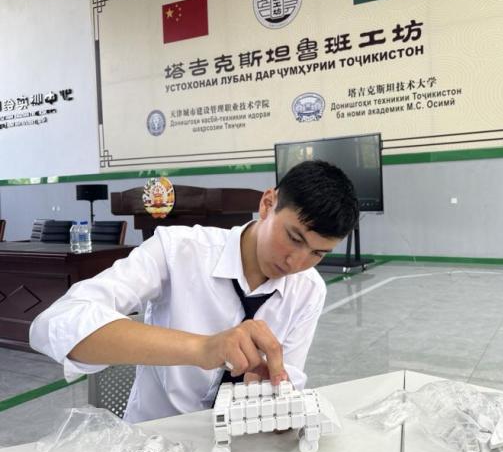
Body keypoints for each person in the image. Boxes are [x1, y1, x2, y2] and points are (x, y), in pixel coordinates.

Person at [29, 160, 359, 422]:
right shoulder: (178, 250)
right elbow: (56, 323)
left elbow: (288, 384)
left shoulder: (308, 289)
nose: (296, 262)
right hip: (156, 439)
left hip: (243, 446)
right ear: (267, 203)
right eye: (294, 238)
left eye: (318, 254)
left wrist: (274, 397)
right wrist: (202, 348)